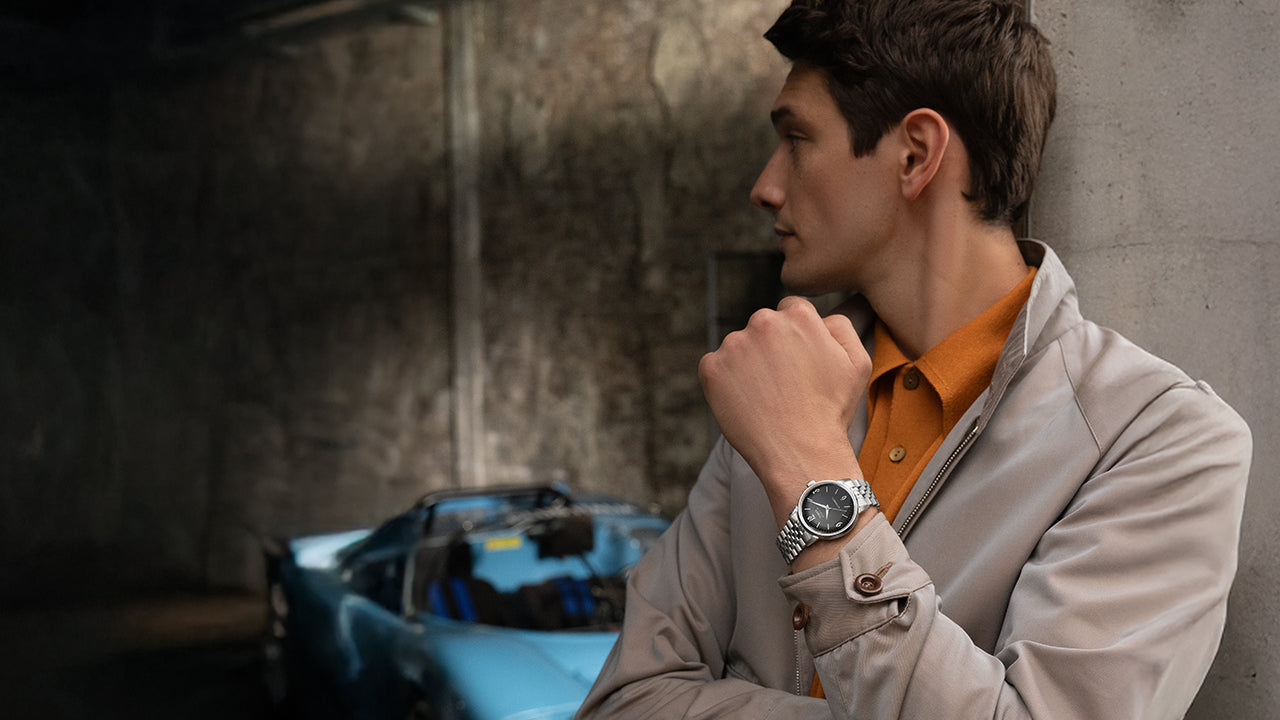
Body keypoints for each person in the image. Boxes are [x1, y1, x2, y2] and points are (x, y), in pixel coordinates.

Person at [575, 0, 1252, 718]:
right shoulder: (784, 386)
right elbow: (625, 701)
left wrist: (810, 473)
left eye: (797, 138)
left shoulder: (1160, 441)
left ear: (915, 155)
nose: (765, 185)